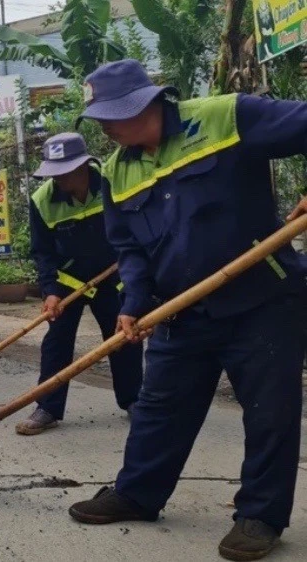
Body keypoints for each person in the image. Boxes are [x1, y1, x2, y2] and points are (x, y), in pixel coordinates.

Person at [66, 59, 307, 561]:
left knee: (270, 412)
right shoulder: (116, 170)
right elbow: (130, 250)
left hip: (261, 300)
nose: (105, 129)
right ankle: (138, 493)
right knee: (159, 408)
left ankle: (260, 516)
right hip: (180, 310)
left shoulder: (226, 116)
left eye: (111, 116)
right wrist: (133, 306)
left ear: (143, 103)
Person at [16, 132, 143, 436]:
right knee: (57, 343)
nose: (57, 179)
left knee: (122, 338)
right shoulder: (42, 200)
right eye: (53, 173)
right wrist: (49, 292)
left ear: (82, 167)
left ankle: (134, 400)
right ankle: (48, 406)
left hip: (114, 278)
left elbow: (134, 228)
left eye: (63, 173)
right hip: (68, 283)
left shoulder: (112, 186)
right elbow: (43, 252)